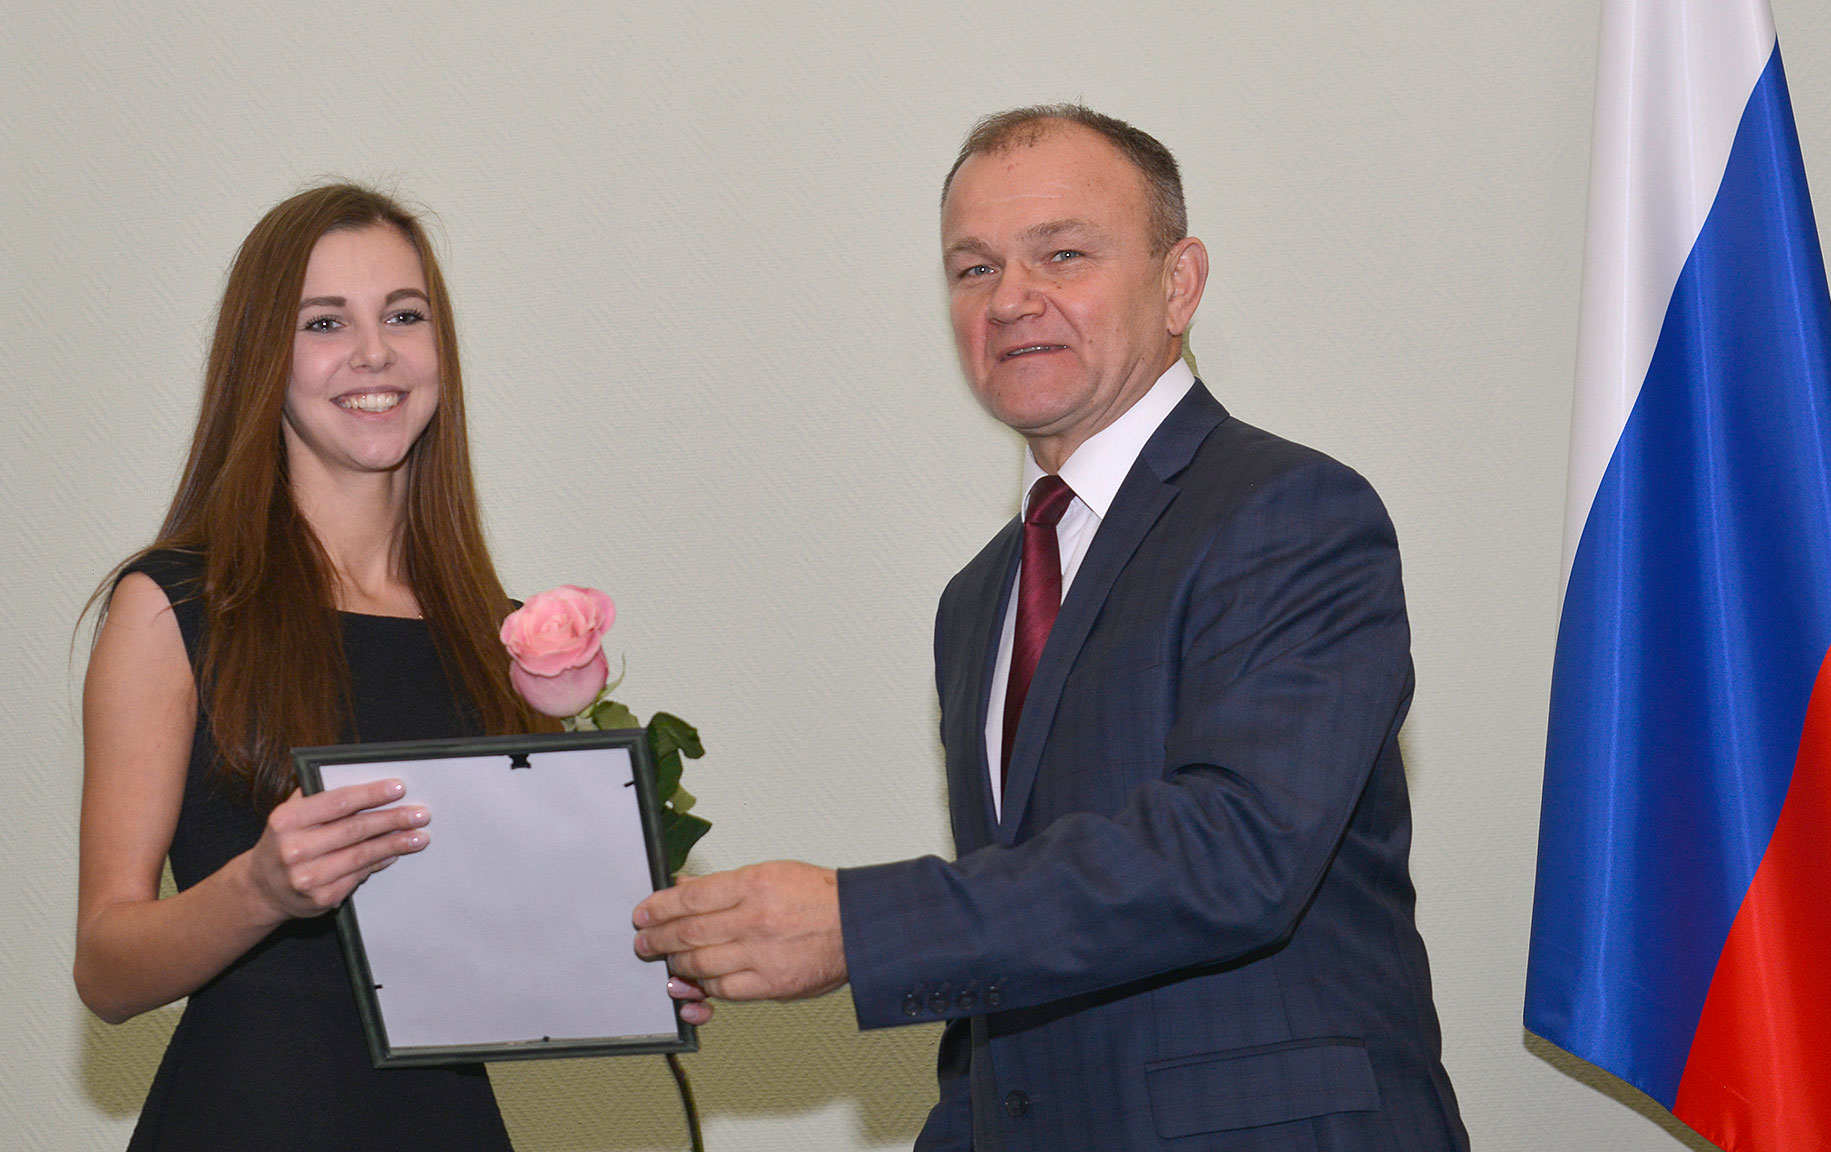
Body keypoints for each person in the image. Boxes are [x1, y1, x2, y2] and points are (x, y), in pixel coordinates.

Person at [635, 106, 1469, 1151]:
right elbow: (1018, 982)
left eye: (1062, 254)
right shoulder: (978, 599)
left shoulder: (1291, 510)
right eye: (974, 268)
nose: (1009, 299)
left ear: (1179, 284)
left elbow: (1236, 852)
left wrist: (858, 926)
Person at [75, 184, 550, 1151]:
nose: (374, 353)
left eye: (404, 316)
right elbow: (104, 971)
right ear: (265, 358)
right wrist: (258, 890)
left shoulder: (499, 633)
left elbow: (509, 940)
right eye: (325, 322)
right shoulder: (172, 606)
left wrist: (634, 959)